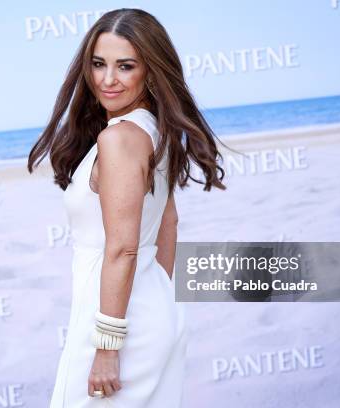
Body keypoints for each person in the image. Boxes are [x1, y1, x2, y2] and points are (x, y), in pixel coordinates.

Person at [28, 8, 227, 407]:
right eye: (99, 64)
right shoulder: (156, 131)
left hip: (114, 324)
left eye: (125, 66)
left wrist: (107, 345)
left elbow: (122, 248)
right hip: (152, 308)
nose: (107, 79)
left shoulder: (119, 139)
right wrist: (156, 299)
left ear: (150, 71)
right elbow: (168, 224)